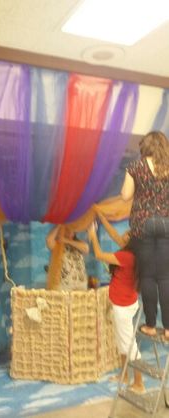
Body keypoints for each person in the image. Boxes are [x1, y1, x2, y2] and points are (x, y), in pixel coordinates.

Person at [88, 212, 145, 393]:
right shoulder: (131, 252)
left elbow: (98, 254)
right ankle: (124, 375)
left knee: (129, 344)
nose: (122, 236)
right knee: (122, 342)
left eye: (126, 235)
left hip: (123, 305)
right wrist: (101, 217)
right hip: (125, 302)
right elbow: (114, 233)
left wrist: (91, 235)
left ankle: (139, 383)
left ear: (131, 241)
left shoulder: (127, 257)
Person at [121, 131, 169, 341]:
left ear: (145, 147)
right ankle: (168, 329)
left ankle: (150, 324)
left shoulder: (136, 167)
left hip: (144, 224)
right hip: (167, 224)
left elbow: (125, 195)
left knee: (148, 276)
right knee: (165, 277)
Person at [46, 224, 89, 291]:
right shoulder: (57, 245)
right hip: (64, 285)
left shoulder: (78, 244)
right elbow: (49, 240)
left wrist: (67, 240)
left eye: (71, 230)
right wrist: (59, 225)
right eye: (66, 230)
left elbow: (86, 248)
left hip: (80, 284)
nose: (69, 232)